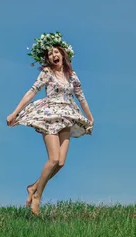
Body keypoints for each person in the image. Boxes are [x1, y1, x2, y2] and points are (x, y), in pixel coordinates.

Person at [6, 32, 94, 216]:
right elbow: (32, 92)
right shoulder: (47, 72)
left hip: (67, 115)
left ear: (63, 54)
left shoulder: (72, 75)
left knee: (61, 162)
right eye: (50, 54)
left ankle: (33, 187)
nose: (53, 56)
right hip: (49, 115)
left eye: (56, 52)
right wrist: (14, 112)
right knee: (53, 159)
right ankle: (37, 197)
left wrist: (90, 118)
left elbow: (81, 97)